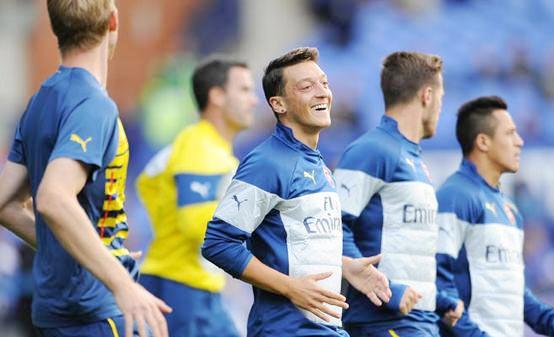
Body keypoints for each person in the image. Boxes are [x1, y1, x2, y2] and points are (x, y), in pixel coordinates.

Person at [0, 1, 171, 337]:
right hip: (96, 311)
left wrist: (95, 253)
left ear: (55, 29)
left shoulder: (41, 99)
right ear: (113, 21)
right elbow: (53, 197)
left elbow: (5, 203)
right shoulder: (94, 105)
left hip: (59, 313)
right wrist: (121, 282)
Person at [201, 47, 391, 337]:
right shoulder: (267, 162)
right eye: (306, 86)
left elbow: (291, 247)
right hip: (287, 330)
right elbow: (218, 243)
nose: (322, 93)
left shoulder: (316, 163)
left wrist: (344, 267)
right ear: (278, 104)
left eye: (324, 84)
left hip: (326, 328)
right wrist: (290, 287)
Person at [435, 96, 554, 337]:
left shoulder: (509, 211)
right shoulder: (454, 197)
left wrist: (552, 322)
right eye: (509, 134)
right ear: (483, 142)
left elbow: (512, 289)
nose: (519, 142)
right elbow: (435, 285)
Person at [334, 51, 461, 337]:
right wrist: (387, 291)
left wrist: (438, 300)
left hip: (420, 321)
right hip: (383, 322)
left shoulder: (413, 159)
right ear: (427, 96)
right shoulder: (372, 150)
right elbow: (331, 226)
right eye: (441, 99)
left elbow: (407, 251)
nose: (442, 108)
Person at [136, 57, 258, 337]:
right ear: (216, 95)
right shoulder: (201, 148)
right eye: (244, 90)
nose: (253, 100)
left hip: (189, 287)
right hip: (182, 288)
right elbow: (195, 224)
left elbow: (149, 183)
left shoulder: (202, 145)